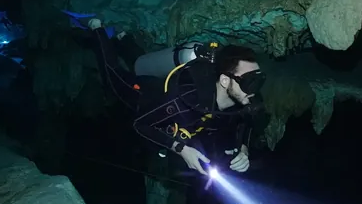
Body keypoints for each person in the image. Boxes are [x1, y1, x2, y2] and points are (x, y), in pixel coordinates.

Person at [84, 17, 265, 176]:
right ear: (225, 81)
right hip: (144, 94)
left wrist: (244, 149)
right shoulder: (188, 99)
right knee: (114, 79)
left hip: (165, 86)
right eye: (249, 81)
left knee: (141, 65)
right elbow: (140, 124)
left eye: (258, 81)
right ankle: (96, 28)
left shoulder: (243, 100)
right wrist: (181, 149)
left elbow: (245, 124)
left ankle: (124, 40)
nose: (254, 90)